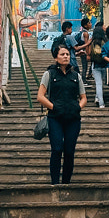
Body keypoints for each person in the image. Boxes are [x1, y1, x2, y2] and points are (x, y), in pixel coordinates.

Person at [37, 44, 86, 184]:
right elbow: (40, 96)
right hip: (55, 118)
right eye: (62, 54)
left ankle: (66, 183)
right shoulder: (49, 74)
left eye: (67, 54)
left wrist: (78, 107)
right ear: (55, 57)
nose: (66, 57)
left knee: (69, 151)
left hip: (73, 119)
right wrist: (54, 108)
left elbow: (84, 97)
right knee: (57, 149)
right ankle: (55, 183)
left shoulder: (75, 75)